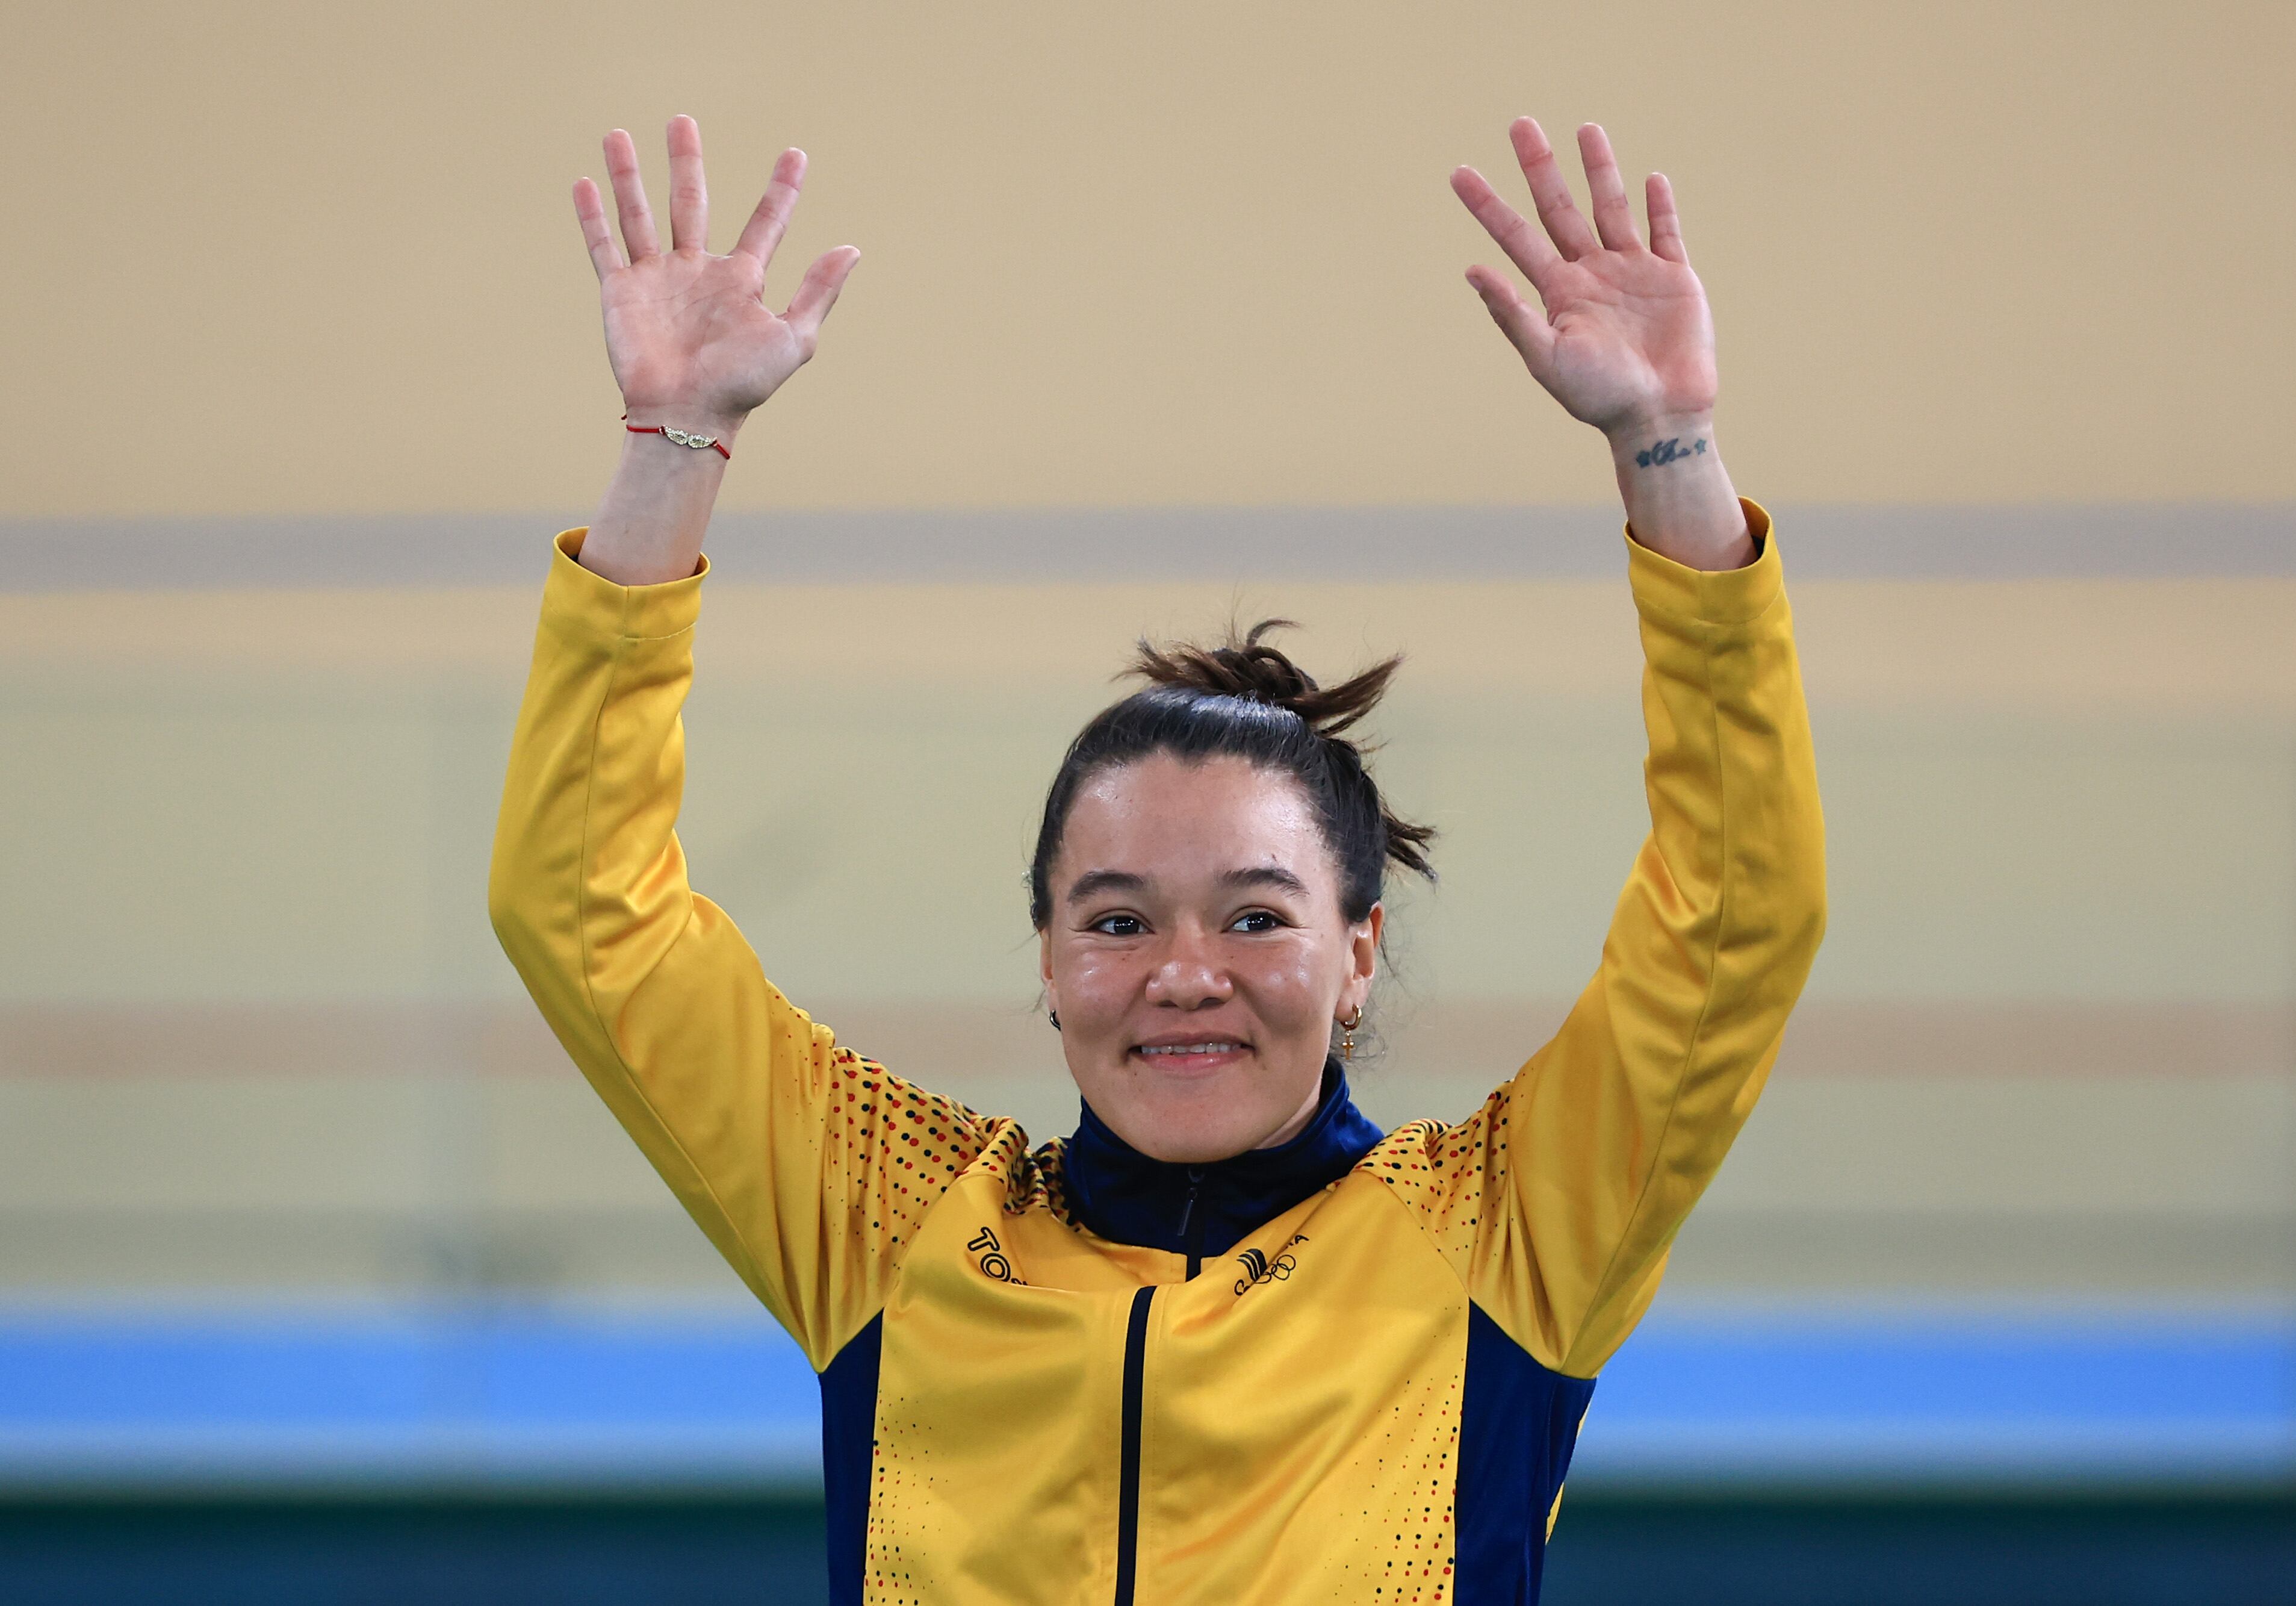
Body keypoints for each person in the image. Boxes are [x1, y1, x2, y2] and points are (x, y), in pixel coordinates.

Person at [491, 111, 1825, 1604]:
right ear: (1049, 958)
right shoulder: (896, 1221)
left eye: (1254, 916)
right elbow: (584, 910)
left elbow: (1737, 915)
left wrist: (1667, 452)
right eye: (1118, 921)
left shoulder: (1496, 1234)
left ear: (1359, 949)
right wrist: (671, 448)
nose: (1185, 974)